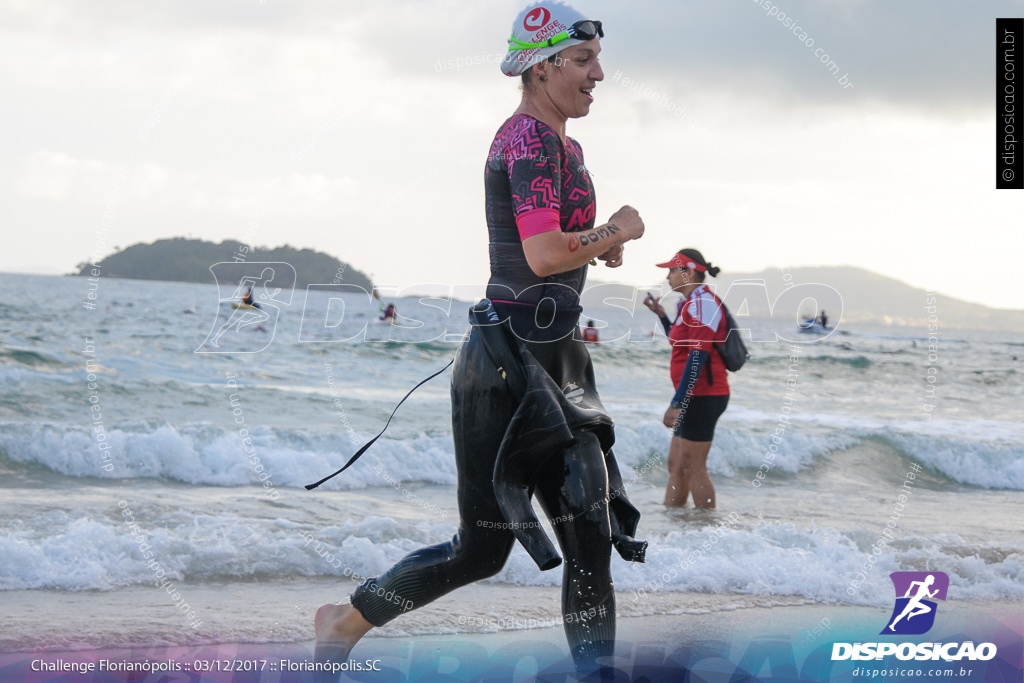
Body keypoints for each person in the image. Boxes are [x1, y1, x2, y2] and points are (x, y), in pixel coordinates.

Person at [315, 3, 646, 675]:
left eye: (596, 61)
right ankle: (345, 620)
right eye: (582, 62)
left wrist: (600, 245)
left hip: (560, 360)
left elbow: (560, 247)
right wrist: (619, 230)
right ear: (543, 65)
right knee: (481, 550)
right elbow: (546, 252)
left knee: (590, 531)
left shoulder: (566, 147)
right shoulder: (524, 139)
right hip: (504, 365)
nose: (598, 75)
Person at [643, 249, 729, 508]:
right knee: (677, 464)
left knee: (693, 467)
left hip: (704, 396)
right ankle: (676, 525)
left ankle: (707, 527)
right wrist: (661, 314)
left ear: (688, 272)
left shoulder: (704, 303)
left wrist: (678, 401)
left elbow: (698, 356)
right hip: (695, 395)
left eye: (672, 270)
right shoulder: (692, 303)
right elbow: (678, 340)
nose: (668, 276)